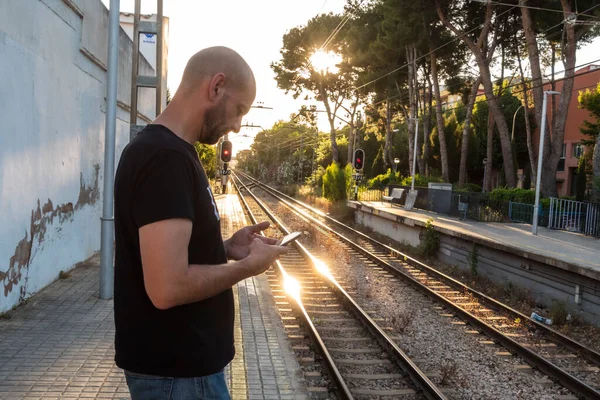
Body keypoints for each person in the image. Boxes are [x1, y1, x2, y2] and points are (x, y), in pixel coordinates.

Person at [113, 46, 288, 399]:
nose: (238, 125)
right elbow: (167, 288)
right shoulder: (164, 158)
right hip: (178, 378)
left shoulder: (175, 153)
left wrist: (225, 248)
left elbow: (169, 254)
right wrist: (249, 268)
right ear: (216, 86)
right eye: (239, 110)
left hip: (182, 374)